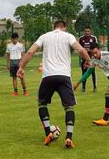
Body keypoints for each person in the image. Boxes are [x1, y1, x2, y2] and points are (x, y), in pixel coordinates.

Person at [17, 21, 90, 149]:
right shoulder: (68, 36)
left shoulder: (44, 36)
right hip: (64, 76)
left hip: (48, 76)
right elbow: (81, 50)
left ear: (53, 27)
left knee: (42, 104)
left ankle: (48, 133)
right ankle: (69, 137)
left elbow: (30, 52)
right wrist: (88, 60)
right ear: (64, 27)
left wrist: (21, 67)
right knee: (69, 107)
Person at [78, 26, 98, 92]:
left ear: (90, 31)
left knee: (93, 72)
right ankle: (83, 88)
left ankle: (95, 87)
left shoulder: (93, 38)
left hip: (92, 58)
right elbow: (79, 48)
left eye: (88, 31)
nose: (87, 32)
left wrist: (89, 50)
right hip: (84, 58)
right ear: (84, 32)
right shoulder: (81, 38)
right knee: (84, 73)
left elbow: (96, 47)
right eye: (85, 31)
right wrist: (83, 54)